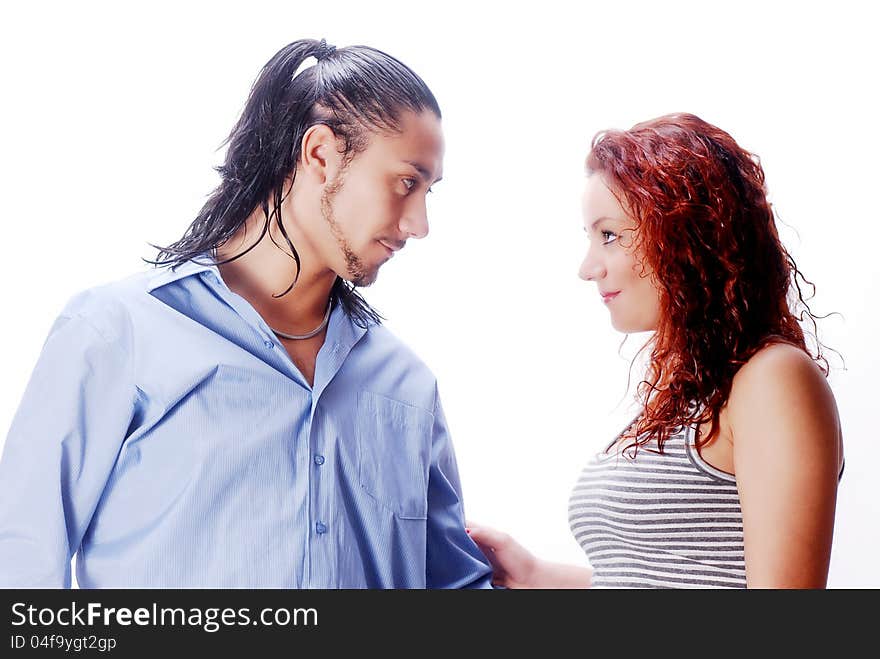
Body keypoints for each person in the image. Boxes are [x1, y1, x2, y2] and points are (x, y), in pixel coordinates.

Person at [0, 38, 492, 589]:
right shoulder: (119, 334)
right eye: (407, 182)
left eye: (429, 190)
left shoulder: (407, 386)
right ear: (321, 154)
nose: (419, 223)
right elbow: (20, 566)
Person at [467, 113, 844, 589]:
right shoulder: (688, 394)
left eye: (609, 236)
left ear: (685, 235)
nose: (588, 268)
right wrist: (535, 575)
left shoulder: (773, 377)